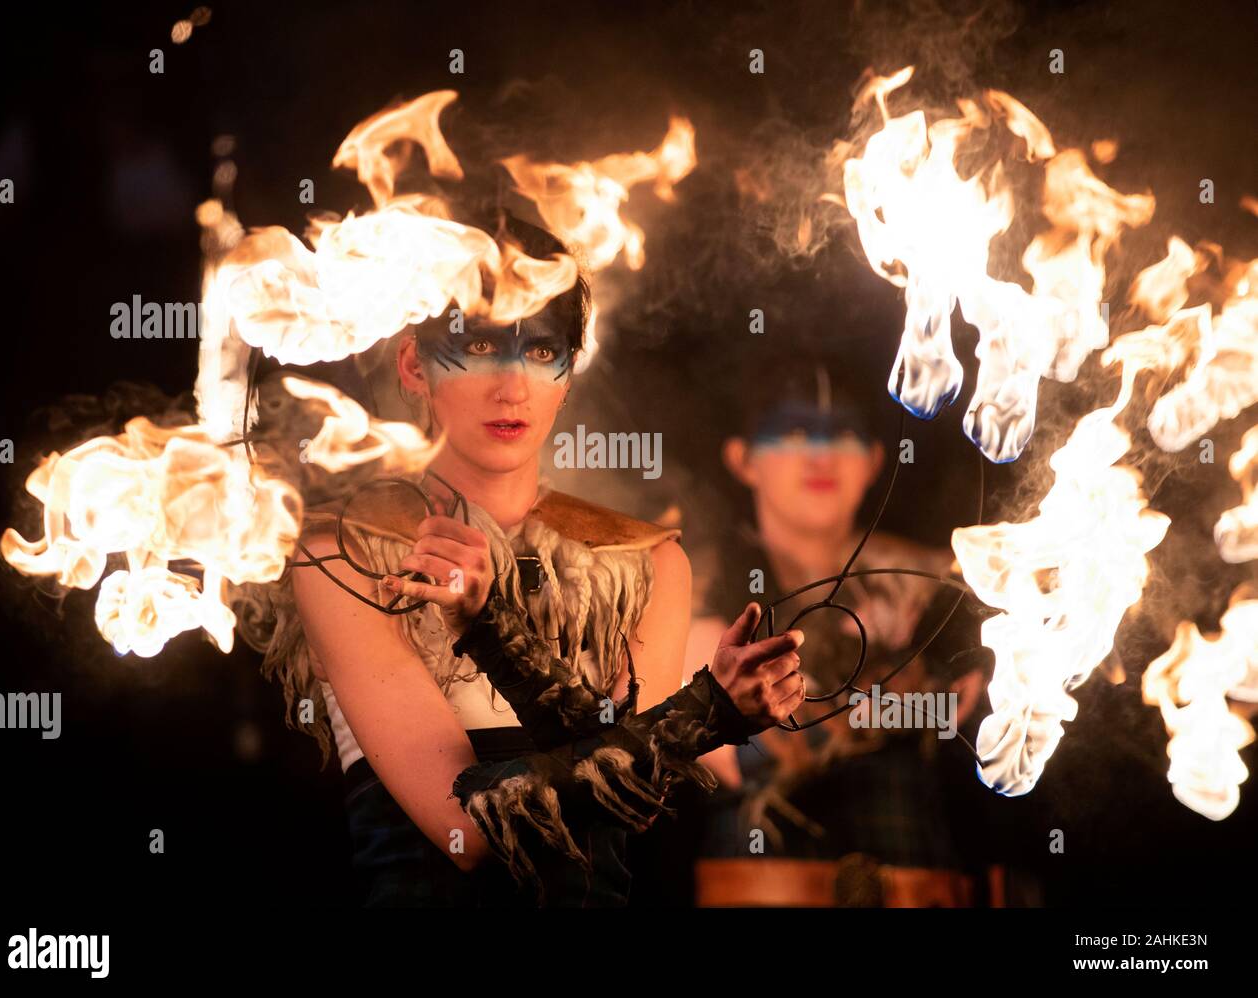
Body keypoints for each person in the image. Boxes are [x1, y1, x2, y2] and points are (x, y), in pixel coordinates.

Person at [230, 215, 808, 907]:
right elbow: (468, 831)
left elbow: (633, 803)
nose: (511, 387)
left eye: (540, 351)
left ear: (570, 369)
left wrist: (696, 719)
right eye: (477, 346)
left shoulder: (646, 561)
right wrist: (705, 715)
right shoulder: (343, 554)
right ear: (413, 363)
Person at [680, 363, 992, 906]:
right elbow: (722, 759)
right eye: (793, 432)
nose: (820, 455)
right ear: (743, 458)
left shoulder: (953, 583)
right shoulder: (691, 587)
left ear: (875, 460)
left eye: (842, 434)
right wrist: (900, 691)